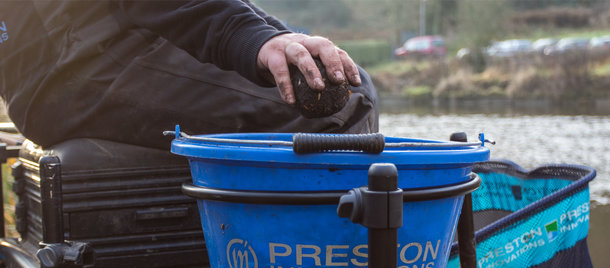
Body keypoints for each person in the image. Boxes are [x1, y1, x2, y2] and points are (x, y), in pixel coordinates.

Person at [0, 0, 378, 150]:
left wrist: (274, 37)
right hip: (83, 69)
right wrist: (255, 41)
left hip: (45, 85)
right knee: (348, 104)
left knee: (345, 80)